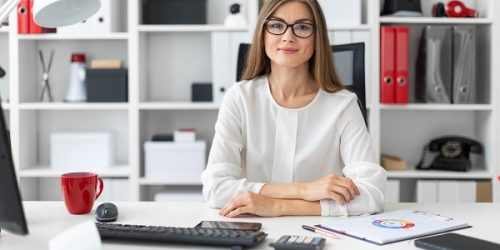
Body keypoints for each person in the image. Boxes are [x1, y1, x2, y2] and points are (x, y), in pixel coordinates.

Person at [202, 0, 386, 217]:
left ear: (318, 39)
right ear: (263, 34)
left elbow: (373, 194)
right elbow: (215, 188)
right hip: (250, 228)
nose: (288, 36)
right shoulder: (239, 97)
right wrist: (305, 190)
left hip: (321, 233)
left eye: (302, 27)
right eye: (277, 25)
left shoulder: (343, 105)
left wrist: (279, 206)